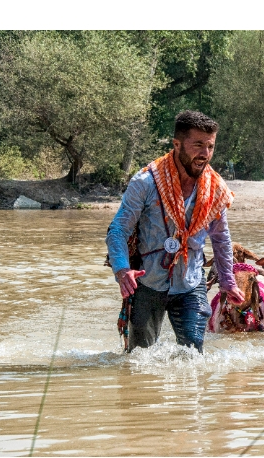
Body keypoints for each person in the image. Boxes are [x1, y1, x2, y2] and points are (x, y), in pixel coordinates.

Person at [105, 111, 245, 353]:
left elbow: (221, 239)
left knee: (192, 352)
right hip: (147, 282)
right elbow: (118, 229)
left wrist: (228, 282)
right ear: (177, 144)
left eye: (210, 146)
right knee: (139, 357)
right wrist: (122, 269)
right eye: (198, 145)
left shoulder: (215, 189)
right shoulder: (146, 182)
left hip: (191, 282)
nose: (205, 154)